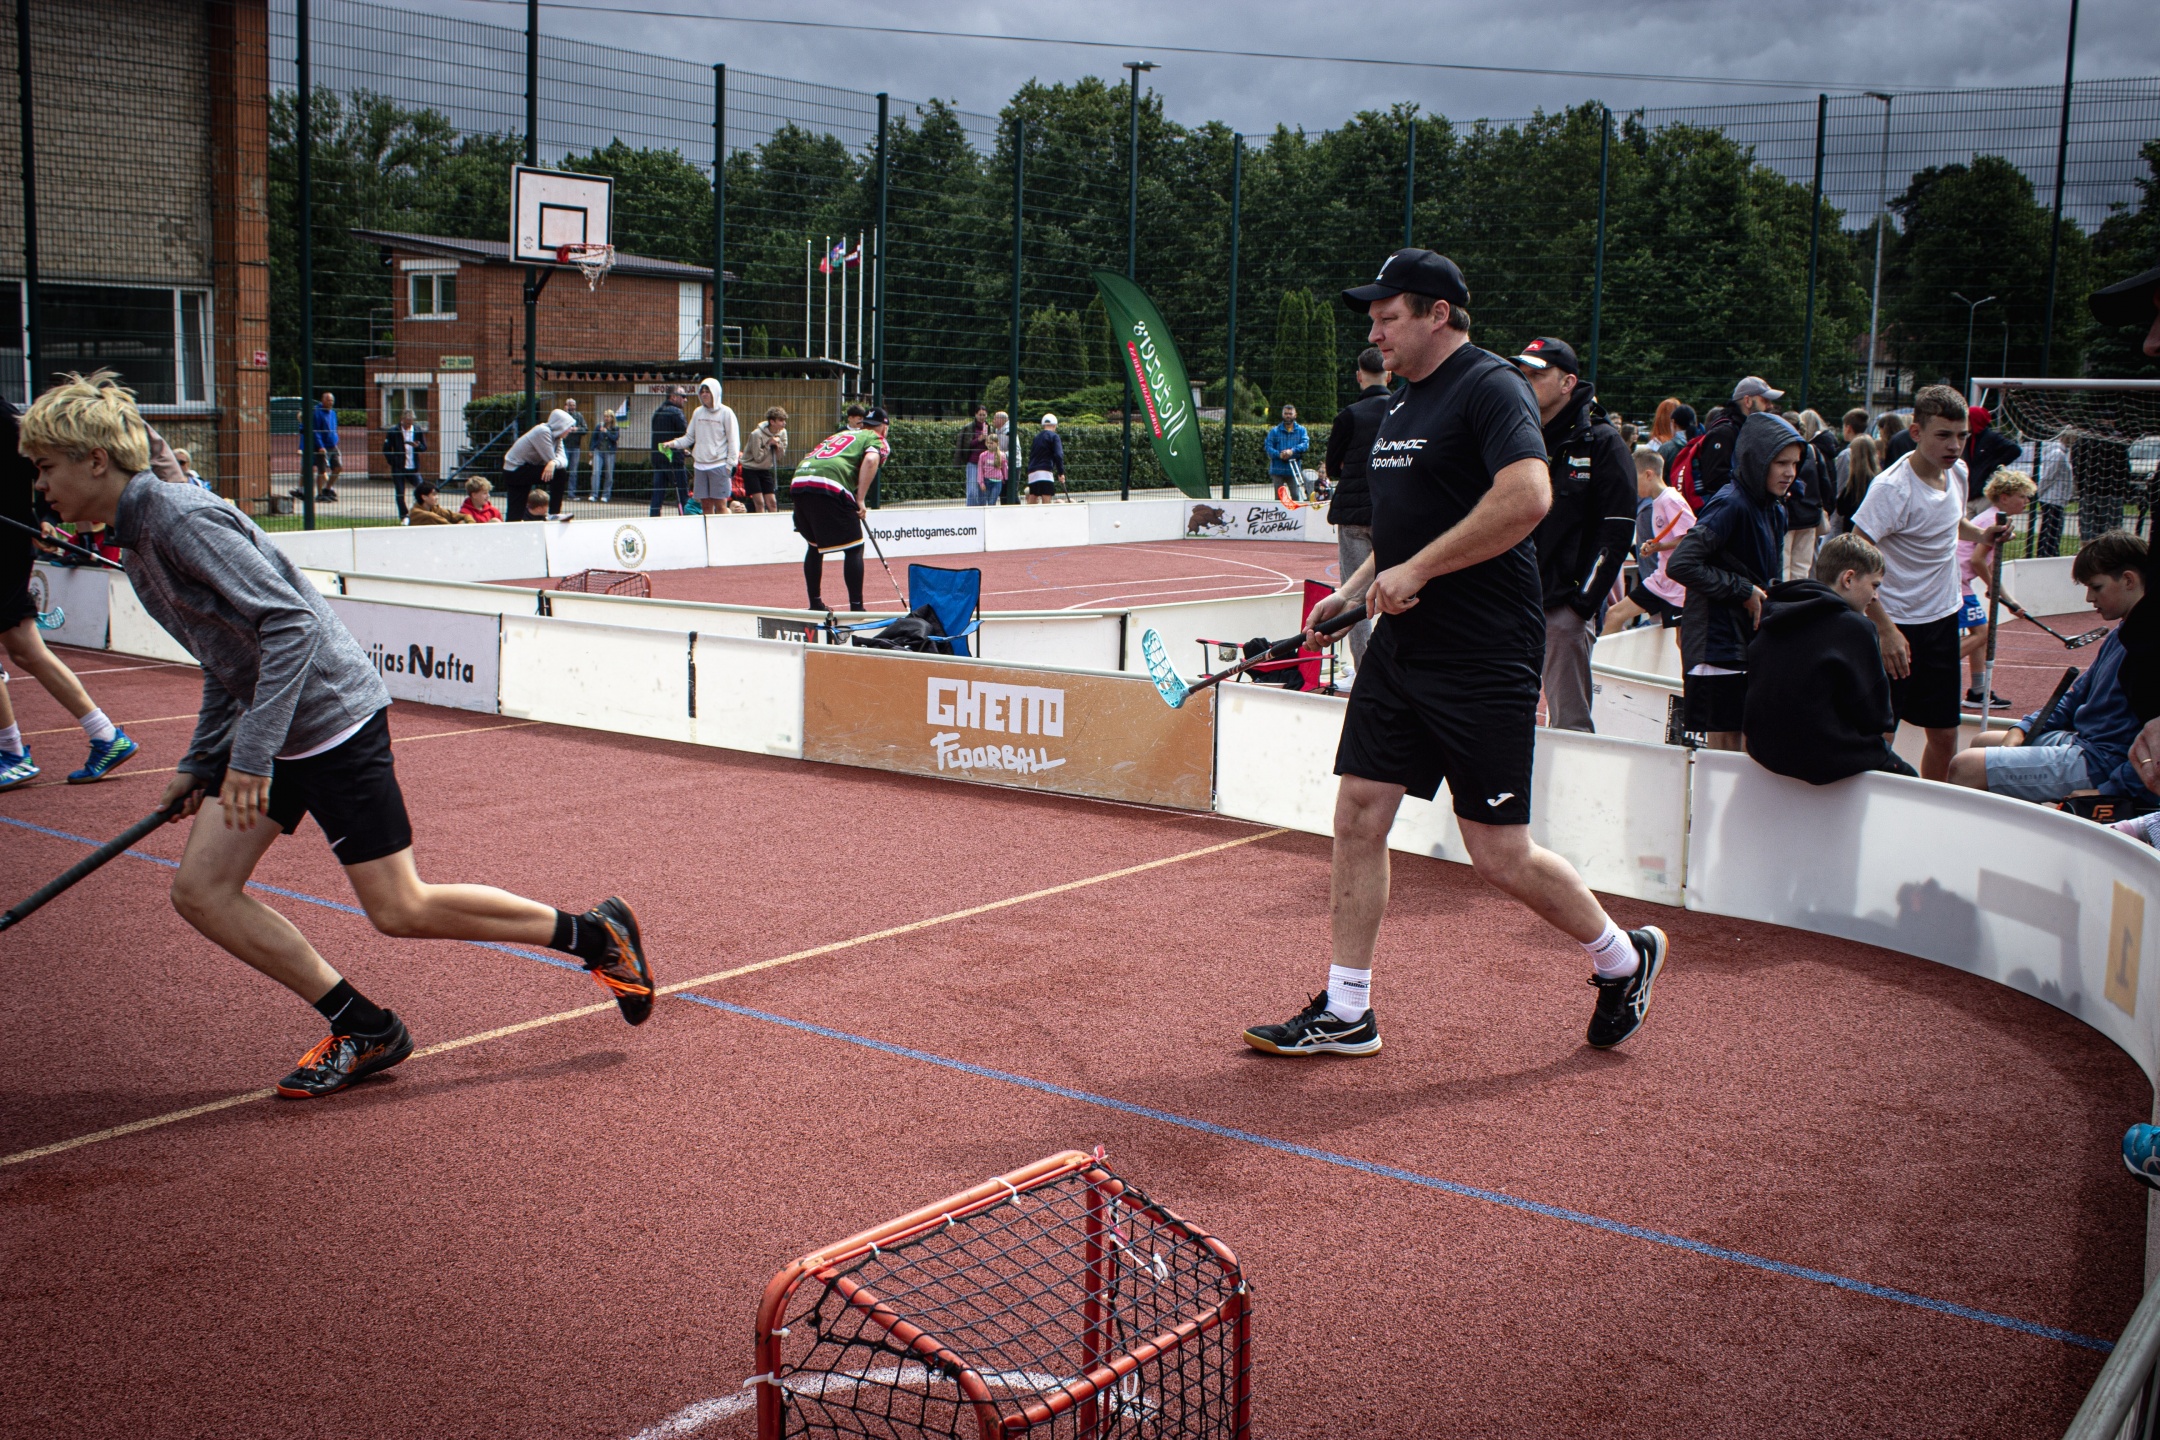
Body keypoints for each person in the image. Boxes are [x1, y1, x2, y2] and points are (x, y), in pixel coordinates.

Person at [20, 370, 656, 1098]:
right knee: (202, 890)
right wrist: (202, 759)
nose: (40, 486)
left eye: (45, 467)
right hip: (273, 726)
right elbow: (226, 653)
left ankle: (594, 935)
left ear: (96, 460)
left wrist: (248, 758)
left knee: (400, 908)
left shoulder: (175, 520)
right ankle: (364, 1026)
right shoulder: (136, 539)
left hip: (330, 722)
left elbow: (289, 623)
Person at [1243, 248, 1669, 1061]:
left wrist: (1420, 570)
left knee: (1499, 853)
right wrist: (1354, 588)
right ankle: (1348, 1008)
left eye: (1387, 317)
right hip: (1406, 645)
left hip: (1483, 651)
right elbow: (1411, 523)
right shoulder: (1403, 401)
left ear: (1438, 314)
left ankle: (1622, 956)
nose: (1375, 333)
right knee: (1359, 812)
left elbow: (1528, 497)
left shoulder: (1490, 386)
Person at [1851, 385, 2011, 781]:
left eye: (1961, 436)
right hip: (1895, 623)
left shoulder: (1958, 471)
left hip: (1942, 620)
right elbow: (1854, 556)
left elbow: (1952, 522)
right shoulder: (1891, 488)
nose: (1954, 445)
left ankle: (1931, 806)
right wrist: (1884, 627)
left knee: (1944, 735)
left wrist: (1982, 535)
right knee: (1880, 735)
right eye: (1943, 435)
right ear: (1917, 432)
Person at [1946, 531, 2147, 802]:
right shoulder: (2121, 634)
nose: (2089, 598)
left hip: (2104, 762)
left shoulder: (2148, 649)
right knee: (1983, 741)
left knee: (1965, 767)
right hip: (2085, 743)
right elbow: (2074, 697)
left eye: (2096, 587)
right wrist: (2023, 728)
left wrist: (2108, 791)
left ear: (2129, 580)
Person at [0, 400, 138, 790]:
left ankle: (10, 752)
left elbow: (37, 462)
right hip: (11, 540)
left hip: (6, 542)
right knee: (24, 648)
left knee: (24, 646)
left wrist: (43, 516)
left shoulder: (4, 420)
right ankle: (106, 736)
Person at [1513, 336, 1633, 732]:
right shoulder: (1519, 433)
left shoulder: (1602, 442)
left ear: (1568, 383)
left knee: (1570, 724)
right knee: (1503, 713)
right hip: (1511, 601)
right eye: (1523, 374)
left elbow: (1617, 533)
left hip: (1563, 608)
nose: (1526, 382)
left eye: (1537, 375)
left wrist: (1580, 606)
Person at [1665, 413, 1801, 751]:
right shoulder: (1730, 503)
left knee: (1745, 744)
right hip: (1717, 643)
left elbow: (1769, 577)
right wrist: (1741, 589)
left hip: (1748, 640)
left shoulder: (1774, 508)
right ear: (1758, 460)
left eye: (1795, 464)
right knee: (1724, 750)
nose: (1790, 472)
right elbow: (1682, 563)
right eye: (1781, 463)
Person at [1742, 533, 1915, 784]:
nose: (1875, 597)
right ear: (1848, 578)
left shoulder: (1775, 612)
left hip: (1763, 750)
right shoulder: (1856, 627)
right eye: (1874, 586)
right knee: (1909, 779)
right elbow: (1877, 717)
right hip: (1825, 756)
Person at [1322, 347, 1393, 669]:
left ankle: (1364, 670)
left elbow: (1332, 467)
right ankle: (1394, 667)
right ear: (1388, 375)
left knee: (1353, 596)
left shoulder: (1348, 415)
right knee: (1397, 591)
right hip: (1390, 511)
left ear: (1358, 376)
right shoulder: (1403, 409)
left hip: (1352, 513)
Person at [789, 408, 888, 612]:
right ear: (884, 427)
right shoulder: (876, 438)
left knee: (814, 545)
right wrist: (860, 499)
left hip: (799, 482)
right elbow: (871, 460)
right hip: (829, 482)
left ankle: (815, 604)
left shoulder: (839, 435)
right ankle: (857, 608)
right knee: (854, 547)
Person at [1958, 469, 2037, 706]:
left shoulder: (1994, 518)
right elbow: (1977, 561)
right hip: (1957, 584)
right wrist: (1991, 586)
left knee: (1979, 634)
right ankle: (1932, 669)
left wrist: (2009, 601)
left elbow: (1989, 569)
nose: (2027, 501)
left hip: (1959, 582)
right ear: (2004, 497)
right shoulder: (1993, 521)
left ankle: (1978, 691)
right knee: (1982, 633)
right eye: (2022, 496)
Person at [1601, 448, 1692, 637]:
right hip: (1660, 580)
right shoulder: (1657, 501)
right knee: (1614, 615)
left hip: (1677, 585)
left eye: (1635, 479)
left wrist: (1659, 546)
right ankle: (1599, 657)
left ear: (1649, 474)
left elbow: (1691, 538)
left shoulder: (1671, 500)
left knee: (1681, 641)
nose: (1632, 486)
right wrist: (1655, 547)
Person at [1689, 376, 1784, 505]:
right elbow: (1714, 479)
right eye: (1765, 400)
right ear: (1747, 401)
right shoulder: (1724, 433)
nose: (1770, 405)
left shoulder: (1748, 430)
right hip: (1726, 510)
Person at [661, 378, 740, 516]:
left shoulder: (726, 413)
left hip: (719, 465)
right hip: (700, 466)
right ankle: (707, 530)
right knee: (705, 506)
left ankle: (722, 530)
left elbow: (734, 441)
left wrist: (730, 464)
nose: (704, 394)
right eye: (702, 391)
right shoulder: (698, 412)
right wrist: (671, 444)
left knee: (721, 506)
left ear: (715, 392)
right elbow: (689, 437)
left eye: (707, 391)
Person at [500, 411, 568, 521]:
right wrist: (553, 462)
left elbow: (564, 460)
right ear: (561, 425)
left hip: (520, 469)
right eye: (569, 426)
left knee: (515, 513)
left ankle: (512, 527)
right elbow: (549, 458)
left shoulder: (557, 437)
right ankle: (554, 513)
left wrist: (554, 463)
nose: (571, 429)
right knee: (559, 474)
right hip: (516, 470)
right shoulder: (542, 432)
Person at [1963, 405, 2019, 511]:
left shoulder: (1991, 437)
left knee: (1984, 520)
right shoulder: (1969, 439)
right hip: (1971, 492)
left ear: (1974, 420)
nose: (1964, 424)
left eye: (1966, 420)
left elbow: (2015, 449)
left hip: (1985, 493)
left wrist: (1995, 464)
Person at [2030, 430, 2073, 558]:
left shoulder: (2063, 453)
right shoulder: (2058, 454)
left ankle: (2049, 553)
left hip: (2057, 498)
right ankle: (2046, 554)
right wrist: (2038, 492)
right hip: (2052, 499)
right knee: (2050, 529)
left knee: (2054, 529)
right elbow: (2049, 476)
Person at [649, 386, 689, 517]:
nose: (685, 399)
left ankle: (654, 519)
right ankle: (686, 519)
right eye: (683, 396)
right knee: (682, 494)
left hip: (659, 459)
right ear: (673, 397)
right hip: (674, 460)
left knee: (658, 494)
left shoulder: (658, 412)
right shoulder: (676, 412)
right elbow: (687, 435)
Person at [739, 406, 787, 513]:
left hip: (764, 469)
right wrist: (769, 444)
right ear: (772, 422)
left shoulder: (782, 433)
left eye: (784, 420)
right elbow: (758, 457)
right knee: (760, 502)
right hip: (751, 469)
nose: (784, 423)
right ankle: (760, 522)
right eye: (780, 420)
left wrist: (778, 445)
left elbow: (780, 456)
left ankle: (773, 522)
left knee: (772, 502)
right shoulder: (756, 434)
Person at [381, 409, 427, 520]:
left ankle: (420, 512)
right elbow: (386, 449)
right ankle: (404, 516)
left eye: (410, 422)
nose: (408, 425)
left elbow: (424, 447)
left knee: (422, 489)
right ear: (402, 419)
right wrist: (393, 461)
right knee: (400, 493)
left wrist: (417, 446)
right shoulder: (394, 431)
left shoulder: (417, 430)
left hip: (413, 467)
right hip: (399, 467)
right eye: (406, 422)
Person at [1265, 404, 1310, 501]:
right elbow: (1268, 447)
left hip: (1293, 470)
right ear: (1282, 415)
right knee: (1279, 498)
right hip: (1277, 470)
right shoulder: (1274, 431)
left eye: (1290, 413)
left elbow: (1305, 444)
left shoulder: (1301, 430)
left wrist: (1292, 451)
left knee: (1296, 496)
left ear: (1295, 415)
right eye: (1286, 413)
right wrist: (1279, 455)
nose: (1288, 416)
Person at [302, 391, 341, 503]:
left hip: (332, 444)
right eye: (328, 400)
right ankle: (319, 494)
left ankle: (327, 488)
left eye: (332, 400)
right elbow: (316, 431)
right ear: (323, 400)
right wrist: (320, 446)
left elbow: (334, 427)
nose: (330, 403)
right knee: (321, 470)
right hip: (321, 446)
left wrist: (335, 439)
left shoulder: (333, 413)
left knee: (338, 467)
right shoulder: (317, 413)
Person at [548, 396, 583, 501]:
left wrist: (577, 429)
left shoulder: (579, 416)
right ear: (566, 406)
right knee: (560, 469)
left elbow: (585, 429)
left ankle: (571, 494)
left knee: (573, 472)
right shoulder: (562, 416)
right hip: (564, 445)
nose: (572, 407)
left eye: (574, 405)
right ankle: (558, 492)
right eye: (570, 405)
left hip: (575, 446)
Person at [1026, 414, 1064, 504]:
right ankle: (1046, 513)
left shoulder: (1036, 437)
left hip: (1032, 471)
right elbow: (1058, 455)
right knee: (1046, 496)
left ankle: (1029, 512)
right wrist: (1061, 472)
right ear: (1054, 425)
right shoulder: (1054, 436)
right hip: (1045, 471)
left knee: (1033, 496)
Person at [958, 405, 993, 506]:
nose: (982, 417)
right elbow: (967, 445)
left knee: (983, 491)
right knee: (972, 491)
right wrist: (979, 439)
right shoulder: (969, 428)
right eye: (980, 415)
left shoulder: (989, 428)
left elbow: (993, 446)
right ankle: (971, 511)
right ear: (975, 415)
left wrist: (988, 440)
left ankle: (982, 511)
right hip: (973, 462)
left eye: (984, 415)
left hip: (986, 464)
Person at [586, 408, 620, 503]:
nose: (606, 418)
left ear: (612, 418)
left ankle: (606, 495)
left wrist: (607, 432)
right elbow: (593, 438)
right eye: (605, 416)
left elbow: (615, 438)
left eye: (608, 417)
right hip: (598, 451)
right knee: (596, 472)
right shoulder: (599, 426)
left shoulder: (615, 428)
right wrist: (591, 450)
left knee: (609, 474)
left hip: (609, 452)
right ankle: (594, 494)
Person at [977, 412, 1009, 505]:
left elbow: (1004, 468)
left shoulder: (1001, 455)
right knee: (984, 501)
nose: (990, 445)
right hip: (987, 480)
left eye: (992, 443)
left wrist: (1005, 478)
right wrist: (981, 483)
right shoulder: (983, 455)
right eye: (988, 443)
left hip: (998, 482)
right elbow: (980, 470)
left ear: (997, 443)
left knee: (992, 502)